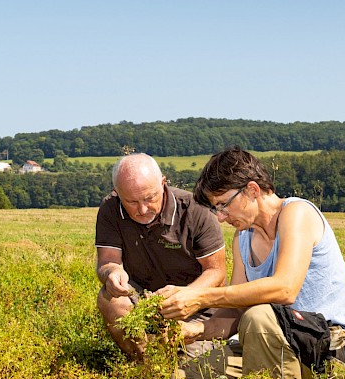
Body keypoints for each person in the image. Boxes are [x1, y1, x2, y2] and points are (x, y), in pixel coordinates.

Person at [161, 147, 345, 379]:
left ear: (252, 189)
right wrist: (194, 330)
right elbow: (235, 312)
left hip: (332, 352)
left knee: (259, 315)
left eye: (223, 204)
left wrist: (201, 298)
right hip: (274, 345)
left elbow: (285, 288)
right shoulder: (242, 239)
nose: (220, 217)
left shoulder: (297, 213)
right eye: (216, 208)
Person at [95, 153, 238, 359]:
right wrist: (112, 272)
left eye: (149, 198)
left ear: (163, 183)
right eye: (132, 202)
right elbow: (107, 261)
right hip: (145, 300)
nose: (142, 209)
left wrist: (185, 297)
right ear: (117, 193)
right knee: (111, 299)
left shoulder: (196, 211)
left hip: (197, 307)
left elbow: (216, 271)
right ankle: (142, 362)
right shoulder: (111, 209)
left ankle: (170, 360)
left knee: (183, 368)